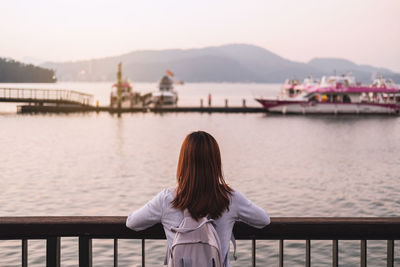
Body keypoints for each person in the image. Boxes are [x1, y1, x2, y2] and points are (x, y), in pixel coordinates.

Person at [126, 131, 270, 267]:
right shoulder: (230, 198)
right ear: (216, 163)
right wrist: (233, 218)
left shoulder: (167, 198)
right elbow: (263, 220)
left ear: (183, 162)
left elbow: (132, 223)